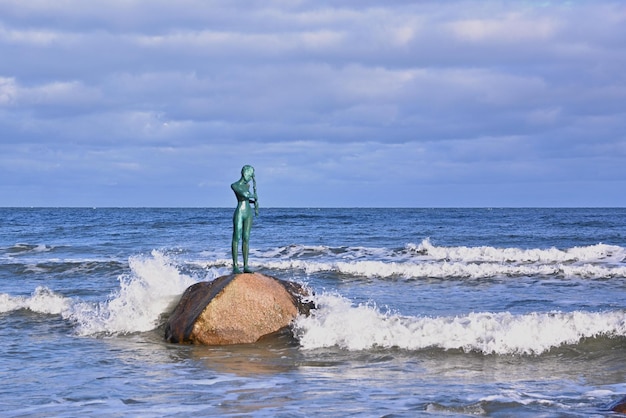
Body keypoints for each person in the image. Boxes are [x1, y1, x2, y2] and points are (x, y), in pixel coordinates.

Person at [231, 165, 258, 273]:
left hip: (248, 212)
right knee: (236, 237)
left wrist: (254, 202)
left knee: (246, 238)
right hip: (240, 212)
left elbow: (247, 198)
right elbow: (244, 194)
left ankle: (246, 265)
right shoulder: (235, 185)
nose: (251, 178)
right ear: (245, 173)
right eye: (250, 175)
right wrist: (253, 196)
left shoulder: (247, 186)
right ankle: (235, 266)